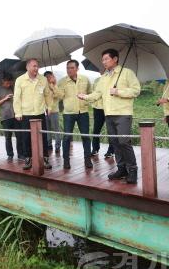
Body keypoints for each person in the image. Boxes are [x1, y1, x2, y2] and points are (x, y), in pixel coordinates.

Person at [78, 49, 141, 183]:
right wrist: (86, 97)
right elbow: (97, 94)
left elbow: (136, 90)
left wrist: (118, 91)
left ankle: (133, 170)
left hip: (123, 113)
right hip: (109, 114)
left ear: (115, 59)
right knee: (115, 142)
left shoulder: (127, 72)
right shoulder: (104, 77)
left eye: (106, 59)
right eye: (103, 60)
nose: (104, 62)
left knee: (124, 142)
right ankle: (121, 169)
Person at [13, 58, 53, 171]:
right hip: (26, 113)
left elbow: (47, 95)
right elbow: (17, 98)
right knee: (26, 137)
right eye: (34, 66)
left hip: (40, 112)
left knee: (43, 136)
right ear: (27, 67)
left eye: (37, 66)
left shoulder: (43, 79)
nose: (36, 68)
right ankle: (28, 158)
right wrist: (18, 112)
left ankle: (45, 158)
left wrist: (49, 107)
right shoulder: (20, 80)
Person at [57, 60, 92, 170]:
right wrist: (53, 85)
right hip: (68, 113)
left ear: (77, 68)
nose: (69, 70)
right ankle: (66, 161)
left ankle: (88, 160)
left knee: (85, 136)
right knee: (67, 137)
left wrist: (86, 99)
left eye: (72, 68)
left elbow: (90, 93)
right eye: (68, 68)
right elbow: (60, 96)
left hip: (83, 112)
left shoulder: (85, 79)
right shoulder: (62, 81)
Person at [0, 73, 23, 160]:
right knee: (8, 137)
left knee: (19, 135)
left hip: (16, 115)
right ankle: (10, 155)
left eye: (10, 83)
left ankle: (20, 154)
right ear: (3, 81)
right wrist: (5, 99)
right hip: (5, 117)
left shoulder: (13, 88)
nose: (8, 84)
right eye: (7, 83)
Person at [91, 74, 115, 158]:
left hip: (108, 108)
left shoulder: (112, 79)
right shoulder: (96, 80)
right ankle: (95, 149)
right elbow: (93, 93)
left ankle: (111, 151)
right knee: (96, 130)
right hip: (97, 108)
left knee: (110, 131)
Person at [43, 71, 62, 154]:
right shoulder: (43, 87)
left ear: (52, 76)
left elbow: (59, 96)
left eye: (49, 76)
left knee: (56, 130)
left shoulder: (56, 86)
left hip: (54, 111)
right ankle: (49, 144)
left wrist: (53, 86)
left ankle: (57, 146)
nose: (48, 78)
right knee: (47, 129)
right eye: (46, 77)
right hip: (45, 111)